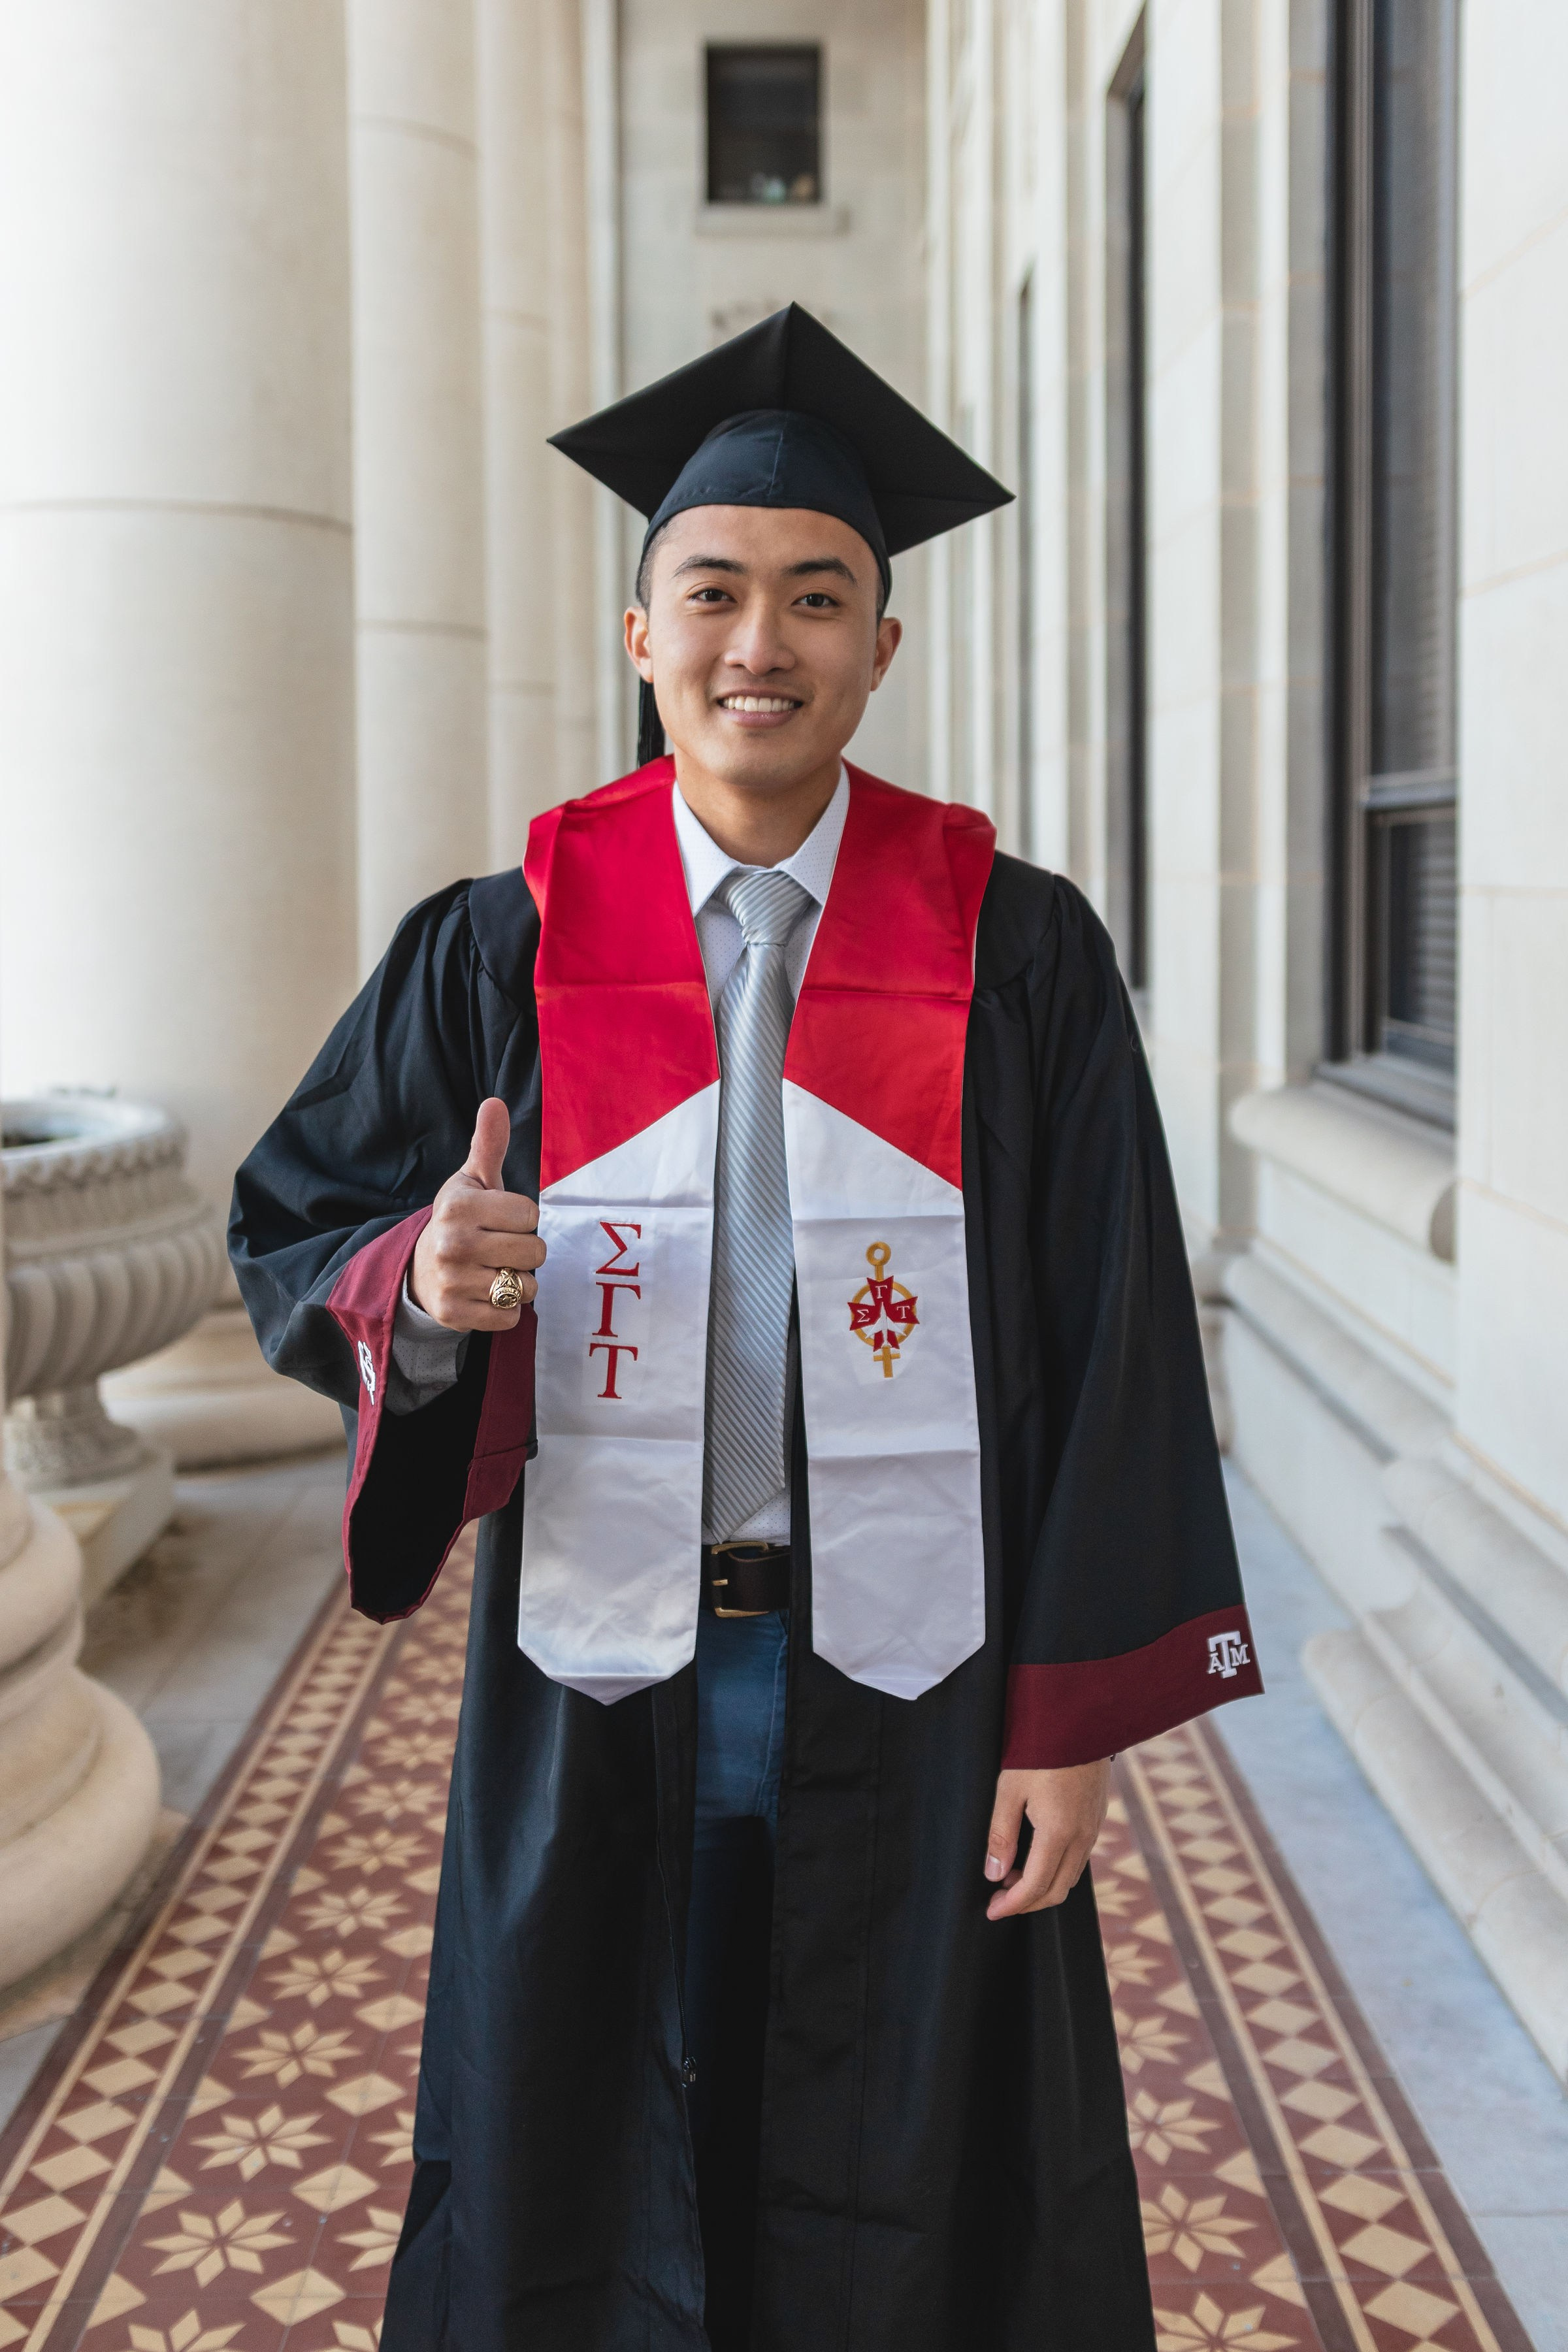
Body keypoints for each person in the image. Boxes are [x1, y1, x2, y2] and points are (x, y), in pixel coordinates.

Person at [230, 303, 1262, 2352]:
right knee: (596, 2121)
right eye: (713, 596)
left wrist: (1070, 1724)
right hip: (602, 1672)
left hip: (922, 1671)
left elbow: (1118, 1324)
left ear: (885, 648)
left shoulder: (1020, 950)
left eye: (818, 598)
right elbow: (299, 1220)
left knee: (905, 2138)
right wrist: (415, 1290)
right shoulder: (508, 939)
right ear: (643, 640)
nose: (759, 646)